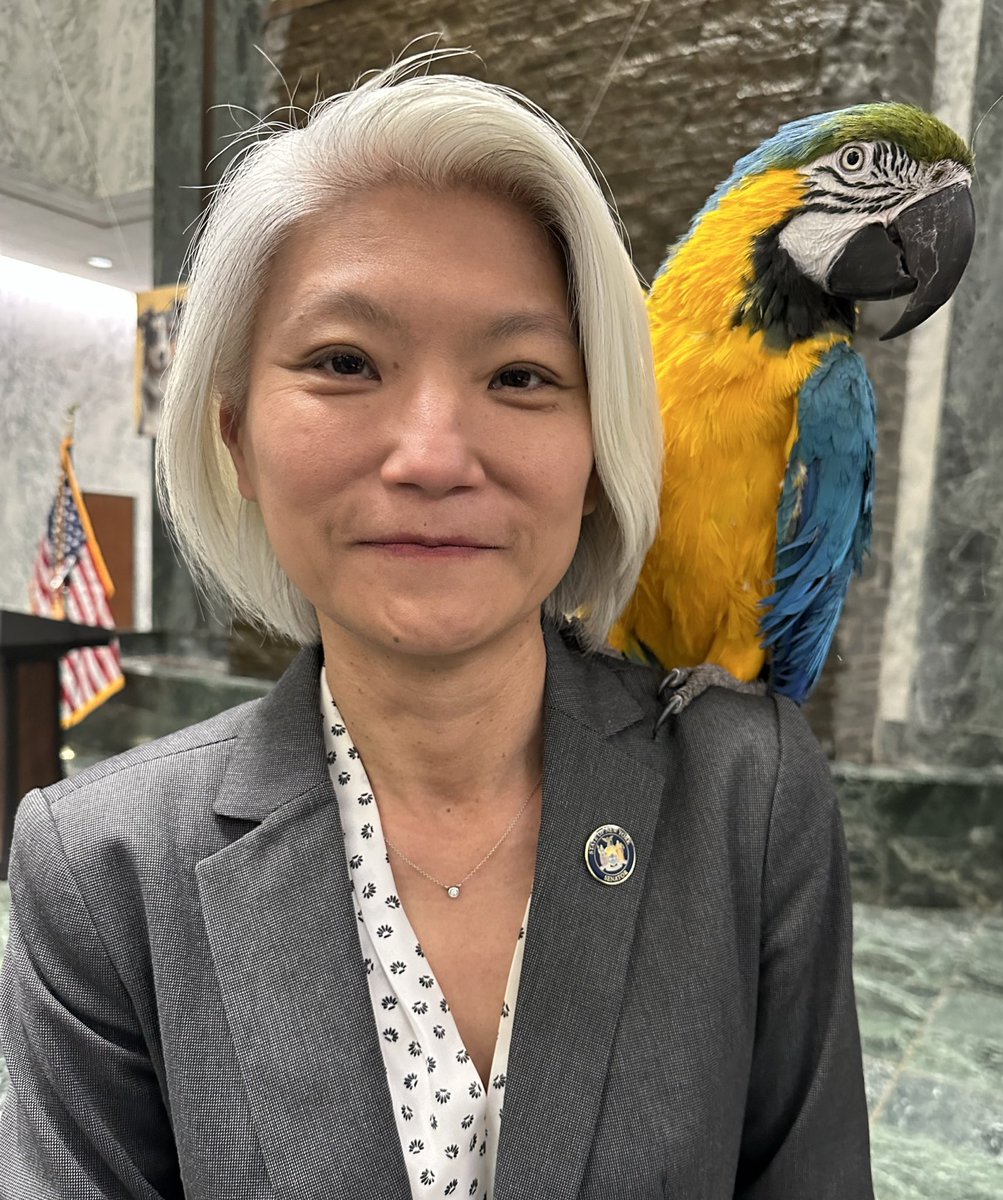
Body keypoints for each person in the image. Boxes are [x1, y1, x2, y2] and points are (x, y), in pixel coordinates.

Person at [0, 52, 874, 1200]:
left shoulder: (750, 798)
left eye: (519, 376)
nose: (429, 458)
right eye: (344, 362)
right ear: (233, 433)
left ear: (602, 446)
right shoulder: (100, 869)